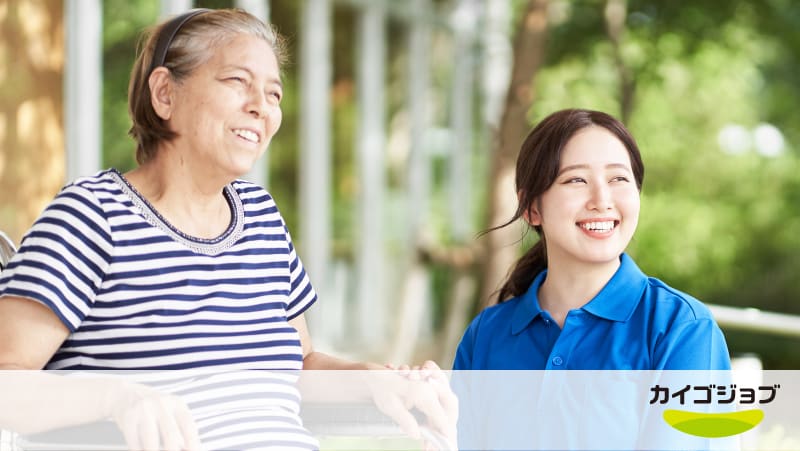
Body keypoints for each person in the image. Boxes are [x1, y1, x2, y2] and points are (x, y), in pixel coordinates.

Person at [0, 8, 454, 451]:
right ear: (165, 94)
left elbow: (298, 368)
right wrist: (118, 398)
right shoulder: (92, 215)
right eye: (238, 81)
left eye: (274, 94)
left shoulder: (259, 216)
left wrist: (376, 379)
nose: (261, 107)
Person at [451, 109, 732, 448]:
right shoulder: (486, 335)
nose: (602, 201)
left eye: (618, 179)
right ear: (531, 207)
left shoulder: (682, 329)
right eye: (576, 180)